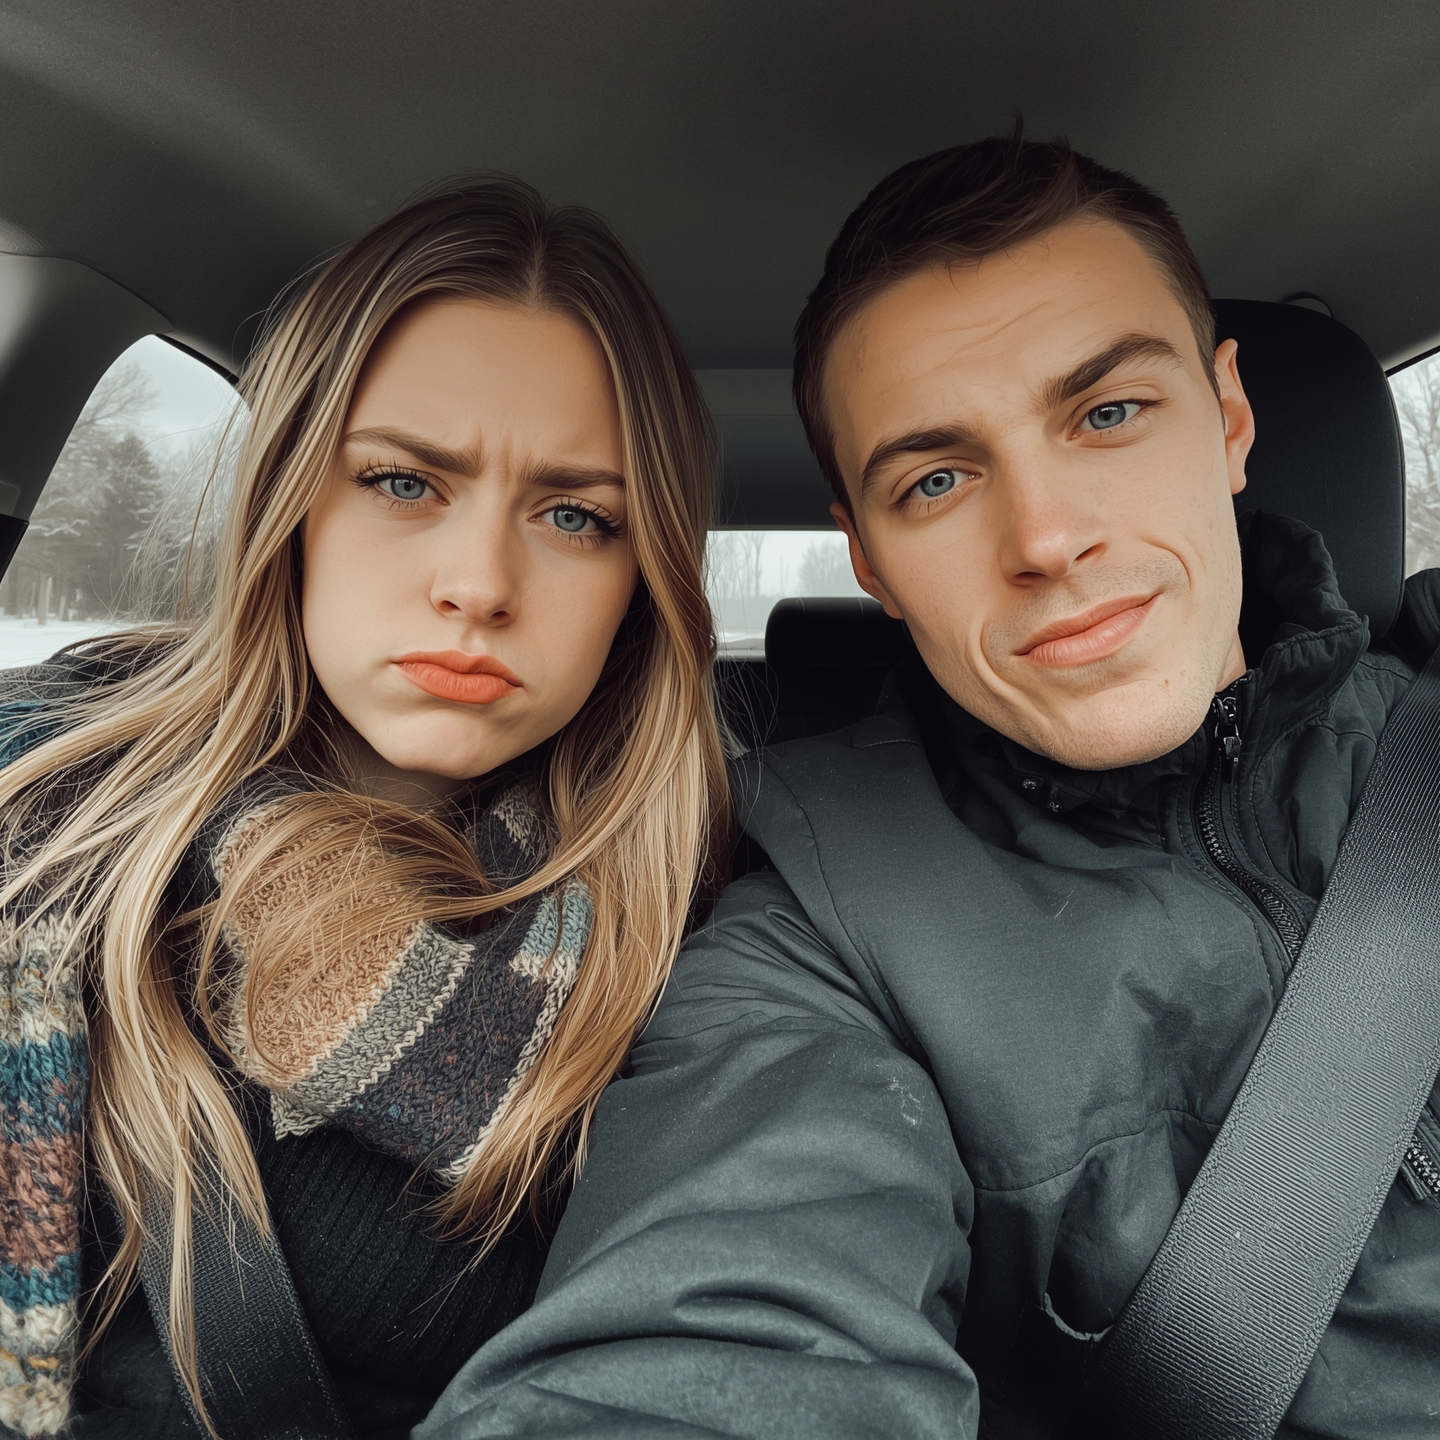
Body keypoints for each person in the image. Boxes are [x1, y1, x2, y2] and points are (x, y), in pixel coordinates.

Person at [415, 134, 1440, 1438]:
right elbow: (721, 1323)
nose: (1046, 538)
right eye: (937, 480)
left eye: (1109, 414)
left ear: (1228, 420)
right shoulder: (815, 934)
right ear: (872, 565)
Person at [0, 178, 728, 1440]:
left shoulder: (715, 944)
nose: (479, 584)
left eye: (575, 515)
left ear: (641, 584)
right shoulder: (46, 806)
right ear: (291, 503)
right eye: (403, 482)